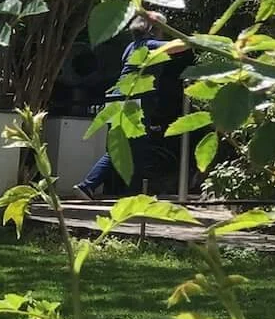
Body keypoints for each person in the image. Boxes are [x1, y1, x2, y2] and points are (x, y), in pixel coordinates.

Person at [76, 12, 190, 200]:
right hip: (133, 103)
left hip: (118, 100)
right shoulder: (150, 45)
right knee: (134, 149)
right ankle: (111, 190)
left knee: (124, 148)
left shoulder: (130, 47)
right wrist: (198, 39)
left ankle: (98, 187)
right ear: (155, 30)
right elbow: (182, 46)